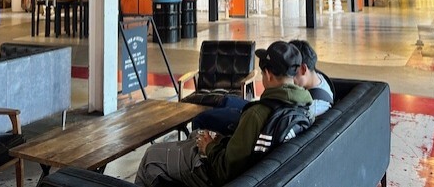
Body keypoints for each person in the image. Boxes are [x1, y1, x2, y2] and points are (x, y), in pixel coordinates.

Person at [134, 41, 312, 187]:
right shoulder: (304, 107)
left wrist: (210, 148)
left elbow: (225, 169)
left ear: (268, 74)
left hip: (216, 173)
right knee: (196, 135)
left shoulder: (258, 114)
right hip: (255, 171)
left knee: (152, 156)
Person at [192, 39, 332, 135]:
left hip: (265, 120)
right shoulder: (319, 79)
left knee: (201, 118)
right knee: (226, 101)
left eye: (290, 73)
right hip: (267, 109)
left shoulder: (314, 107)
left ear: (303, 69)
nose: (287, 77)